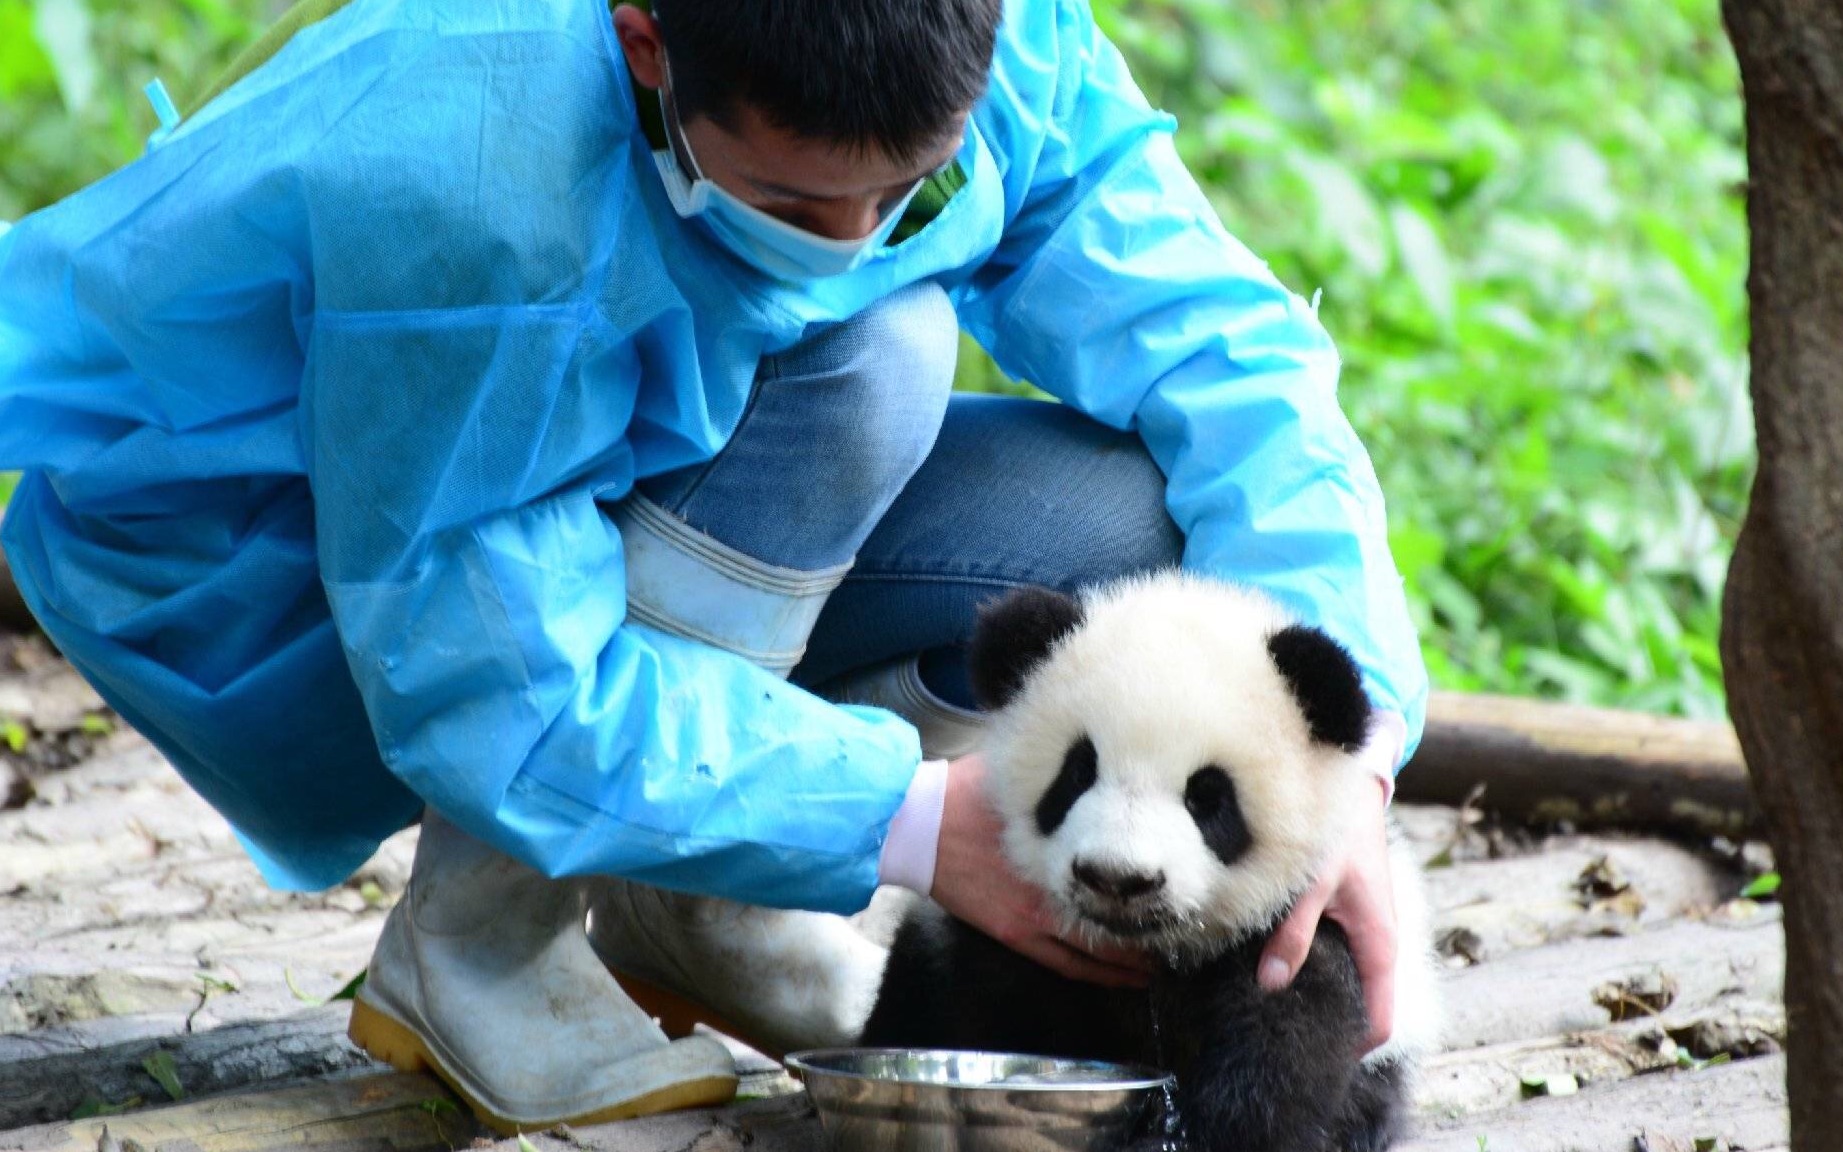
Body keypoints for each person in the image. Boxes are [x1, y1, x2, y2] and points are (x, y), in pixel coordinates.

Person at [0, 0, 1428, 1133]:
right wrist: (913, 822)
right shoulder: (468, 168)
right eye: (800, 204)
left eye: (909, 194)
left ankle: (690, 912)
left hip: (625, 452)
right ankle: (481, 949)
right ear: (645, 41)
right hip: (309, 574)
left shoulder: (1000, 41)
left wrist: (1338, 759)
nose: (855, 238)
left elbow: (1227, 361)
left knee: (1128, 548)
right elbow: (494, 682)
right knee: (871, 353)